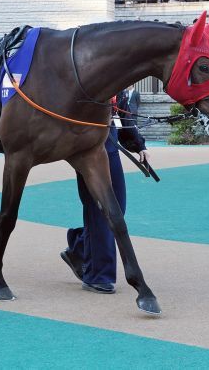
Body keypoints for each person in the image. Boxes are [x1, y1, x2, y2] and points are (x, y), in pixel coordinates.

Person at [61, 107, 149, 294]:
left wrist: (138, 143)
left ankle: (79, 248)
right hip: (88, 149)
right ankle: (98, 275)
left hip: (110, 145)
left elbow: (120, 110)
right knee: (100, 210)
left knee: (118, 208)